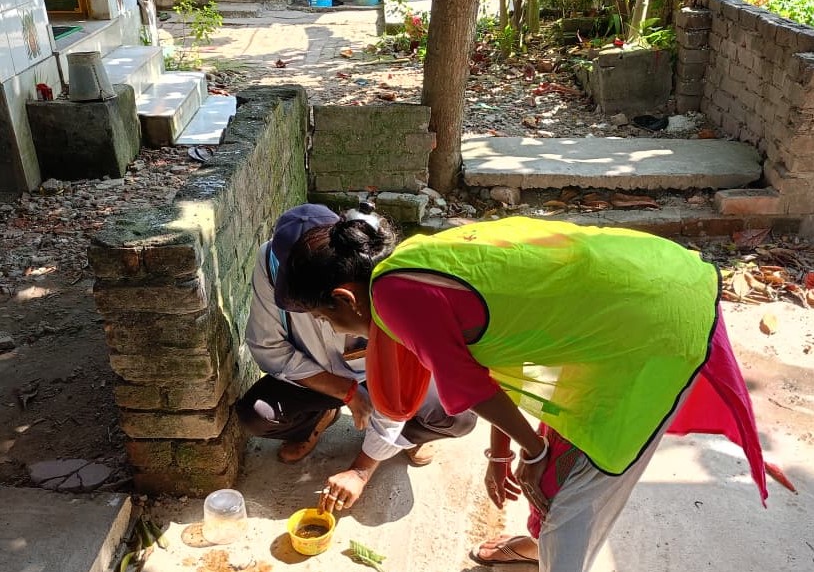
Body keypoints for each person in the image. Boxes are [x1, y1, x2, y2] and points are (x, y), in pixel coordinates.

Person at [277, 212, 769, 571]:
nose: (336, 332)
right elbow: (487, 366)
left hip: (650, 326)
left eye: (326, 318)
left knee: (580, 490)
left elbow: (470, 389)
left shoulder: (394, 298)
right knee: (559, 452)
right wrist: (501, 454)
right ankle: (540, 548)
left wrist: (529, 451)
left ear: (344, 296)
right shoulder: (406, 263)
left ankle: (556, 555)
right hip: (636, 293)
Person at [236, 204, 477, 514]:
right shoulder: (272, 263)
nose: (319, 319)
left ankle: (408, 434)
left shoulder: (390, 288)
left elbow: (403, 378)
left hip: (384, 372)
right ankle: (322, 417)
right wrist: (347, 392)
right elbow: (268, 347)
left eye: (320, 314)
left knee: (456, 414)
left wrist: (362, 470)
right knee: (257, 414)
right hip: (319, 376)